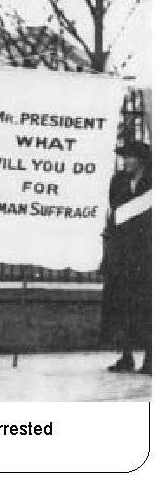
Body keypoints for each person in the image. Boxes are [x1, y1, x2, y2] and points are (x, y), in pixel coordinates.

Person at [101, 140, 151, 375]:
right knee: (124, 305)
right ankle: (127, 355)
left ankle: (151, 357)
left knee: (147, 305)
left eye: (129, 156)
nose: (125, 161)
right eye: (123, 157)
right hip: (123, 252)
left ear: (141, 159)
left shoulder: (151, 181)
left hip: (146, 251)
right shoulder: (118, 181)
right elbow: (115, 210)